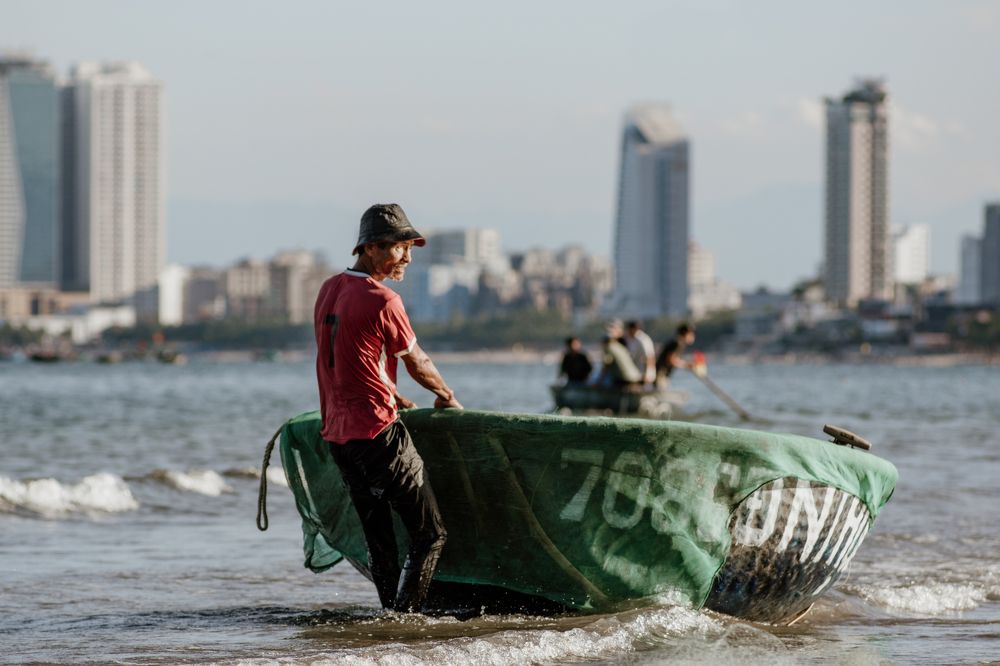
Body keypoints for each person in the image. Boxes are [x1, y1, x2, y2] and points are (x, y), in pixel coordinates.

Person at [314, 203, 463, 614]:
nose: (408, 258)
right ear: (373, 247)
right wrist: (448, 397)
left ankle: (387, 618)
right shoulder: (384, 300)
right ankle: (405, 621)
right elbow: (418, 362)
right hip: (379, 435)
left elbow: (345, 358)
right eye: (401, 248)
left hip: (339, 439)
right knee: (430, 534)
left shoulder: (328, 290)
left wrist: (392, 392)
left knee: (380, 539)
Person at [595, 320, 642, 387]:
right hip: (635, 377)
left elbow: (606, 365)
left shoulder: (609, 347)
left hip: (625, 380)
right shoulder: (619, 345)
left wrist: (598, 383)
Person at [624, 320, 656, 385]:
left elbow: (649, 357)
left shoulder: (643, 340)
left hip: (644, 373)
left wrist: (648, 373)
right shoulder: (627, 338)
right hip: (634, 372)